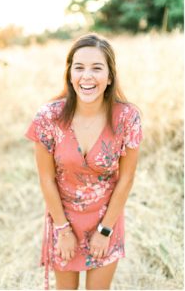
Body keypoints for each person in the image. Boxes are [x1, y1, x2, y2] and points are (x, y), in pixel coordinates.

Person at [25, 33, 143, 290]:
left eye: (96, 68)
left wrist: (105, 231)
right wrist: (62, 230)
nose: (86, 76)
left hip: (107, 218)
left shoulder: (127, 118)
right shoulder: (49, 117)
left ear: (110, 76)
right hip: (63, 218)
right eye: (79, 67)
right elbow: (46, 178)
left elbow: (126, 179)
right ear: (69, 74)